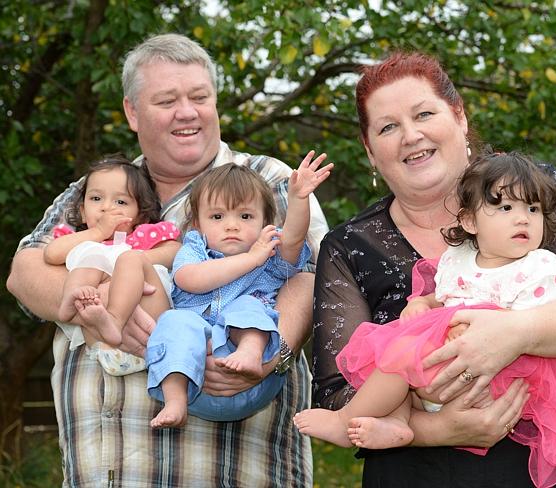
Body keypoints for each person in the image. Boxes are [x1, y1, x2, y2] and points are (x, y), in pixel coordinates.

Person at [7, 33, 328, 487]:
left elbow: (318, 278)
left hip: (231, 472)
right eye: (167, 100)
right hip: (100, 473)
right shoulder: (99, 191)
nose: (187, 112)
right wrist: (105, 297)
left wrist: (271, 354)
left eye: (200, 97)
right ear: (132, 113)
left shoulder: (269, 180)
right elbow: (23, 272)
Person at [310, 52, 556, 487]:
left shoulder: (529, 195)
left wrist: (516, 334)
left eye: (424, 113)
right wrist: (437, 430)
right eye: (388, 127)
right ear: (371, 152)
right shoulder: (349, 247)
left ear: (460, 117)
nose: (411, 135)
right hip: (418, 475)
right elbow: (336, 398)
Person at [296, 152, 556, 488]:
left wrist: (472, 330)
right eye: (506, 209)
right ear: (469, 222)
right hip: (454, 365)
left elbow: (529, 324)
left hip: (507, 372)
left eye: (533, 209)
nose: (523, 219)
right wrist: (422, 303)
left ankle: (348, 421)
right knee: (399, 354)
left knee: (404, 355)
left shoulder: (540, 269)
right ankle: (396, 422)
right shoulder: (459, 260)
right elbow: (446, 296)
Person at [149, 156, 331, 428]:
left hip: (253, 379)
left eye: (245, 216)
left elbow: (293, 238)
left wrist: (299, 199)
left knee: (250, 305)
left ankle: (249, 352)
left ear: (266, 223)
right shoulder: (194, 249)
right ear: (196, 224)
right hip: (194, 374)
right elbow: (189, 279)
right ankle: (175, 402)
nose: (231, 225)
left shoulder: (270, 255)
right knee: (174, 321)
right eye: (217, 216)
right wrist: (249, 260)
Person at [43, 155, 180, 376]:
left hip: (150, 329)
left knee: (125, 259)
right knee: (90, 254)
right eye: (96, 199)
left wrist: (127, 260)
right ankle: (71, 302)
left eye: (121, 202)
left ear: (140, 216)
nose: (106, 208)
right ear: (82, 211)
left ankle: (114, 320)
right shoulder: (83, 240)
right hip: (101, 347)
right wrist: (97, 234)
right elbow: (51, 253)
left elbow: (174, 251)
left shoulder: (143, 236)